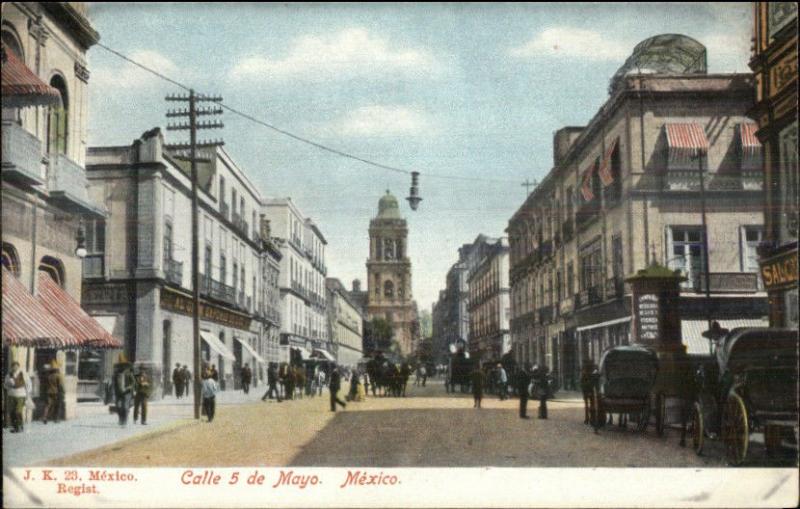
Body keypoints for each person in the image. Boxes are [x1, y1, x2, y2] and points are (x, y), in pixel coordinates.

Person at [4, 362, 32, 433]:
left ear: (18, 367)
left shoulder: (23, 374)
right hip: (12, 395)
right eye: (13, 366)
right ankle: (15, 427)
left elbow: (28, 383)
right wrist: (9, 385)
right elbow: (5, 385)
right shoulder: (9, 375)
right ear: (11, 367)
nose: (14, 368)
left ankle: (20, 426)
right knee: (12, 412)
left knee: (18, 411)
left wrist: (27, 393)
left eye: (16, 366)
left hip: (21, 395)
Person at [112, 354, 135, 426]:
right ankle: (121, 419)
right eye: (120, 366)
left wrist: (128, 388)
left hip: (127, 393)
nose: (122, 367)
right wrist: (113, 394)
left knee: (125, 407)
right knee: (118, 406)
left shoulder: (129, 374)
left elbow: (133, 383)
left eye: (123, 365)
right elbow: (113, 385)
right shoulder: (116, 374)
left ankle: (124, 421)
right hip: (118, 392)